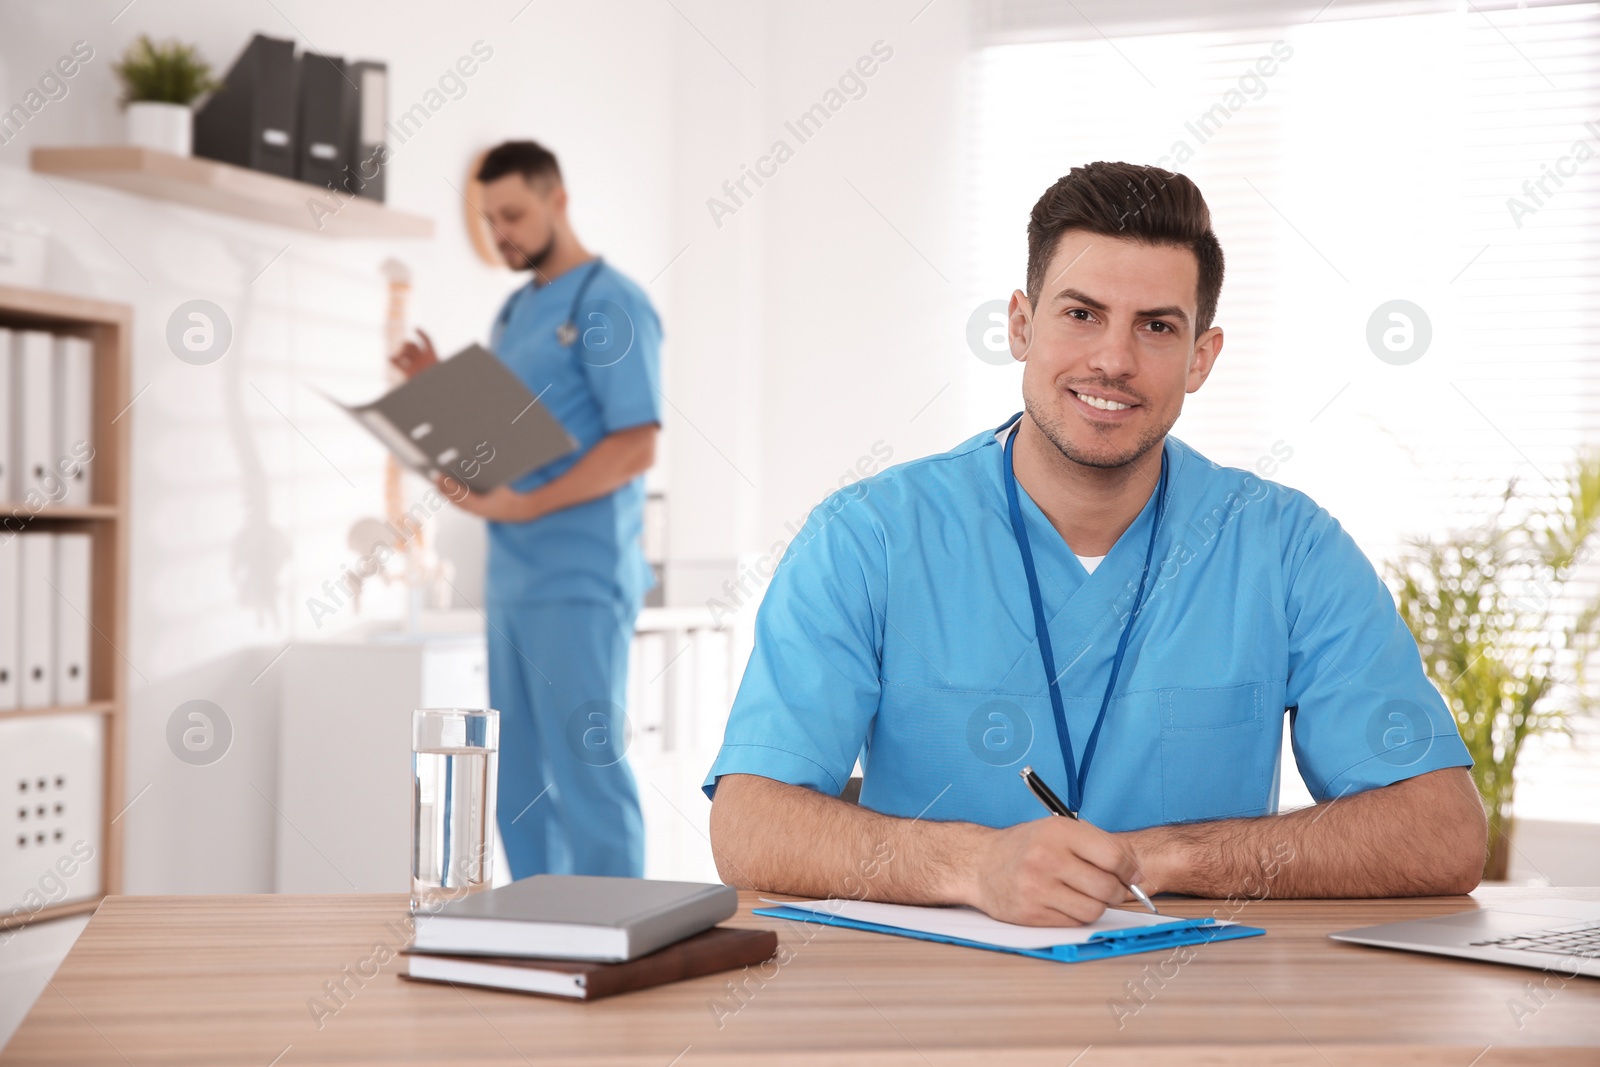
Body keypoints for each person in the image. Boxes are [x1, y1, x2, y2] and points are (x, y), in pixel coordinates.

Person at [702, 161, 1486, 926]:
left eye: (1156, 326)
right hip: (930, 1014)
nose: (1113, 359)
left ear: (1201, 357)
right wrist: (976, 866)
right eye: (1081, 313)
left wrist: (1160, 858)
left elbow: (1443, 832)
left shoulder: (1289, 549)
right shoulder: (867, 536)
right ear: (1020, 324)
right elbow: (750, 823)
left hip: (1198, 1013)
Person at [393, 140, 661, 878]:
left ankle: (613, 938)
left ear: (558, 201)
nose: (501, 231)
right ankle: (542, 931)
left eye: (512, 214)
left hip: (579, 576)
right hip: (512, 579)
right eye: (489, 219)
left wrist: (527, 502)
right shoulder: (515, 309)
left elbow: (635, 445)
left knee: (586, 769)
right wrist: (437, 397)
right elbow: (509, 439)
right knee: (518, 786)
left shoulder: (610, 302)